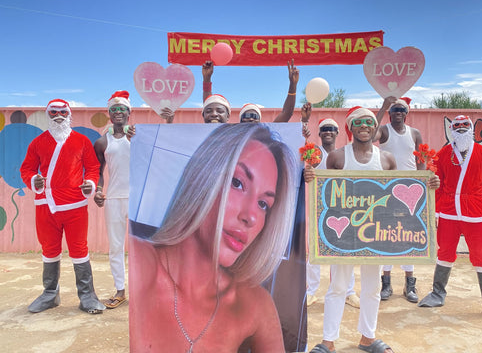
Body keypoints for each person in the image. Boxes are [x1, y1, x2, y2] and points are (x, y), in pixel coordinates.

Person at [129, 123, 298, 352]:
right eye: (237, 183)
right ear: (203, 177)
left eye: (263, 204)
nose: (250, 217)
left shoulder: (254, 305)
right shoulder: (139, 265)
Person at [307, 106, 439, 353]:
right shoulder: (337, 157)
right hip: (344, 234)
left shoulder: (387, 159)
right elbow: (324, 192)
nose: (365, 126)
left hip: (376, 235)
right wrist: (310, 177)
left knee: (372, 287)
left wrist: (429, 182)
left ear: (375, 127)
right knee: (337, 287)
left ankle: (368, 337)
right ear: (351, 128)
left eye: (369, 122)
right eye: (359, 123)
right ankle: (328, 341)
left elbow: (401, 190)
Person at [418, 115, 482, 322]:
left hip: (475, 212)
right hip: (448, 212)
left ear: (471, 129)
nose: (460, 128)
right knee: (445, 252)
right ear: (451, 130)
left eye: (464, 125)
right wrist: (433, 210)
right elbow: (436, 186)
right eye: (456, 126)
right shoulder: (443, 154)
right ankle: (438, 293)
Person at [20, 99, 106, 314]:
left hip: (75, 206)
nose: (58, 116)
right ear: (48, 115)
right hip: (45, 205)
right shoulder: (38, 142)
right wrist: (33, 181)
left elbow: (93, 167)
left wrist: (91, 184)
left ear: (69, 114)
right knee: (49, 250)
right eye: (53, 112)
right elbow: (26, 169)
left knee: (79, 250)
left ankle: (87, 296)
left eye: (62, 112)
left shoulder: (82, 141)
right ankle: (50, 294)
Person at [302, 106, 359, 309]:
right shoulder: (313, 153)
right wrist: (303, 124)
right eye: (324, 129)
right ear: (319, 134)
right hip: (318, 209)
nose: (327, 131)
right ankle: (311, 291)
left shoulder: (346, 153)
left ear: (337, 133)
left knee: (343, 252)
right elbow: (301, 160)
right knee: (313, 252)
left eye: (331, 129)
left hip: (341, 210)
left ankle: (348, 291)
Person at [373, 96, 424, 303]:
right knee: (386, 236)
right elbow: (371, 134)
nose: (398, 112)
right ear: (389, 112)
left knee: (408, 238)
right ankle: (386, 283)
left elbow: (421, 160)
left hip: (411, 192)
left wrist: (421, 184)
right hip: (387, 190)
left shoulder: (415, 133)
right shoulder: (384, 130)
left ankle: (409, 284)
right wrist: (383, 106)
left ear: (407, 112)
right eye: (394, 109)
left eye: (401, 109)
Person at [93, 91, 136, 309]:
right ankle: (120, 291)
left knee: (142, 248)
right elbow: (99, 171)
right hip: (114, 199)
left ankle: (143, 291)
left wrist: (136, 141)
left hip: (138, 199)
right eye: (114, 109)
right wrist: (98, 191)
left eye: (122, 109)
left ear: (129, 112)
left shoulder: (138, 136)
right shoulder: (102, 142)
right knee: (116, 247)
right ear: (109, 114)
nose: (118, 112)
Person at [202, 59, 299, 123]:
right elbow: (209, 105)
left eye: (254, 116)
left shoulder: (266, 135)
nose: (250, 118)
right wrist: (207, 79)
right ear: (240, 121)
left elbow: (286, 113)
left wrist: (293, 85)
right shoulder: (232, 135)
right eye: (247, 115)